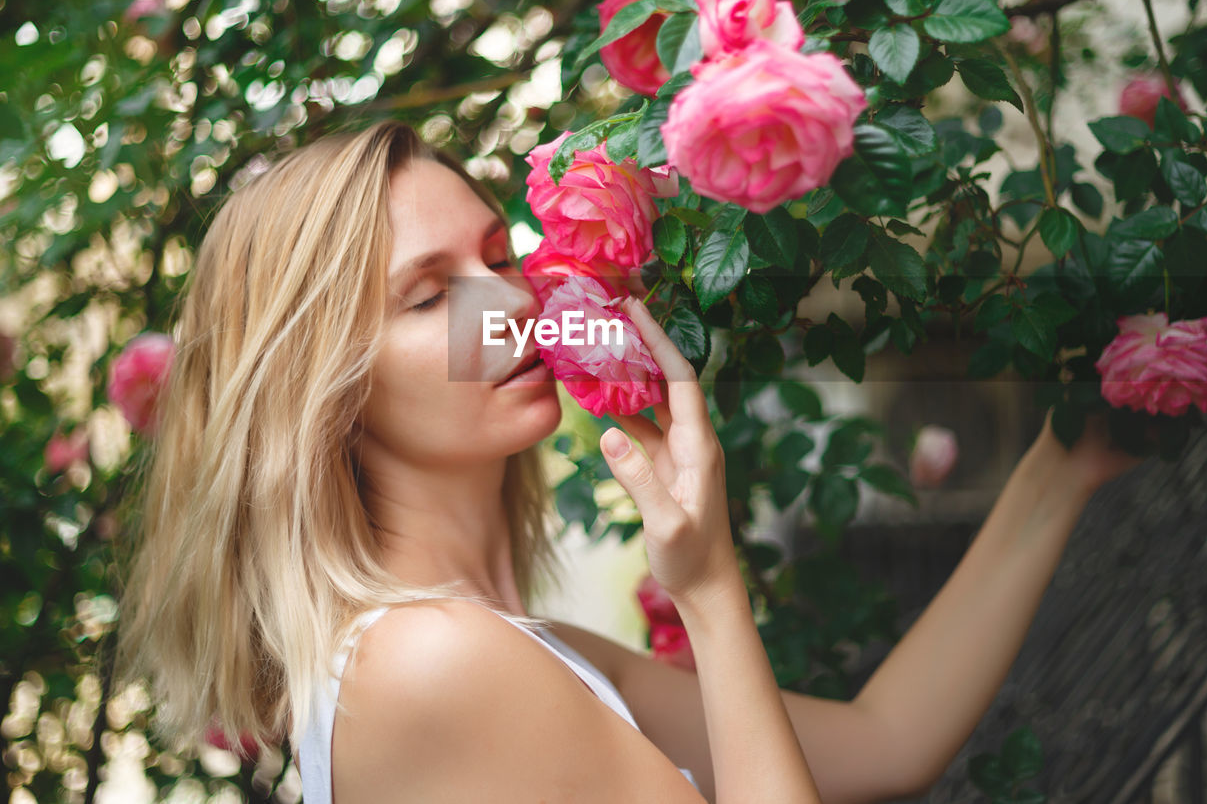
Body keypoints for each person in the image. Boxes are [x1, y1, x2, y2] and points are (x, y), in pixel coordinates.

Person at [112, 119, 1146, 804]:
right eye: (431, 296)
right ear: (323, 393)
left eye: (500, 257)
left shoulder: (506, 644)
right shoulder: (434, 665)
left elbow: (882, 742)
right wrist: (706, 593)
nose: (510, 304)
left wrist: (1055, 468)